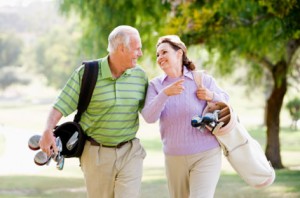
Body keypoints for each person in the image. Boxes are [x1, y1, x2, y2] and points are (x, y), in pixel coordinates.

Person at [39, 25, 148, 198]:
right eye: (137, 49)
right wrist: (47, 130)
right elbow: (61, 104)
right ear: (121, 49)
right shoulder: (87, 73)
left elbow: (151, 110)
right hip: (97, 154)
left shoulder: (140, 76)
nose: (140, 53)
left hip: (130, 152)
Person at [141, 35, 230, 198]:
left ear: (179, 53)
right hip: (174, 157)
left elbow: (227, 103)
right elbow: (149, 117)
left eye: (164, 52)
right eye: (157, 55)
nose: (160, 57)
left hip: (206, 153)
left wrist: (211, 95)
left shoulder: (200, 79)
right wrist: (165, 94)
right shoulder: (155, 85)